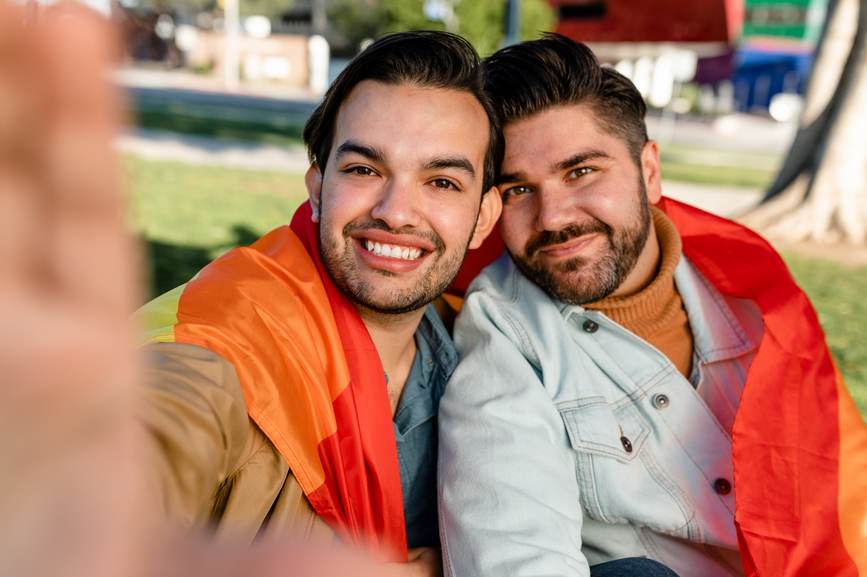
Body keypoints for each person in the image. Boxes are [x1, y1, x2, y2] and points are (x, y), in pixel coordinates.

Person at [438, 34, 867, 577]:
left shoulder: (755, 303)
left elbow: (841, 499)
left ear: (649, 171)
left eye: (581, 172)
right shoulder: (505, 333)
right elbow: (513, 553)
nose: (552, 217)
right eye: (519, 190)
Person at [134, 30, 502, 575]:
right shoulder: (234, 339)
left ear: (484, 219)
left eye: (442, 182)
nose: (396, 212)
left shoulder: (484, 352)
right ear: (317, 187)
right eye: (364, 170)